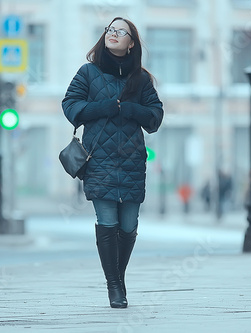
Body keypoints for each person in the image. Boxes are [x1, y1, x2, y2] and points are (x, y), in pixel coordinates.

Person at [62, 17, 164, 308]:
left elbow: (155, 117)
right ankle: (115, 286)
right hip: (99, 160)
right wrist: (103, 107)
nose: (113, 34)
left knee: (129, 226)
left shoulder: (141, 79)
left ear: (131, 43)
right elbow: (70, 106)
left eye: (121, 31)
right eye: (110, 29)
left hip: (132, 161)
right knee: (107, 222)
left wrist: (132, 109)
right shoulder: (88, 73)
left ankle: (117, 277)